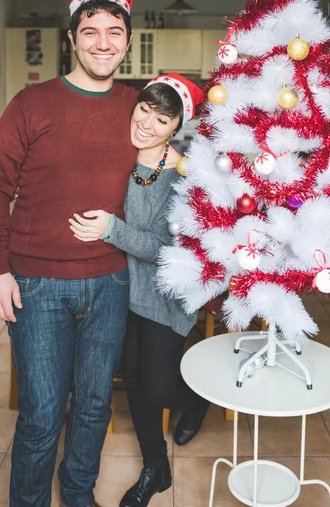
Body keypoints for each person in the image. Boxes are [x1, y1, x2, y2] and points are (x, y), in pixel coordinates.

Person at [0, 0, 138, 507]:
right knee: (43, 415)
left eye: (114, 32)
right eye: (90, 31)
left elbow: (159, 184)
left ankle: (77, 496)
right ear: (72, 38)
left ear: (127, 41)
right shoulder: (31, 103)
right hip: (36, 285)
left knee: (94, 407)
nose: (102, 42)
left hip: (111, 283)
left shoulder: (139, 110)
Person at [69, 73, 210, 507]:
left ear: (177, 126)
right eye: (145, 109)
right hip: (118, 289)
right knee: (131, 378)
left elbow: (165, 250)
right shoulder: (119, 154)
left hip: (164, 297)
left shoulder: (183, 177)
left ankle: (202, 399)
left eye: (162, 119)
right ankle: (156, 468)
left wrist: (112, 230)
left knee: (158, 387)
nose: (147, 123)